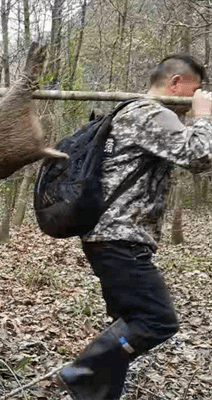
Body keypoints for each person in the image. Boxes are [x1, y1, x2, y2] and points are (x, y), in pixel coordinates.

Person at [57, 56, 212, 400]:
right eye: (195, 88)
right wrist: (203, 115)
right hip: (119, 240)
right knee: (156, 321)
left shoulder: (132, 114)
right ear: (176, 83)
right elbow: (199, 156)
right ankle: (82, 372)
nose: (197, 95)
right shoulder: (150, 112)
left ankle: (97, 393)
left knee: (127, 323)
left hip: (112, 238)